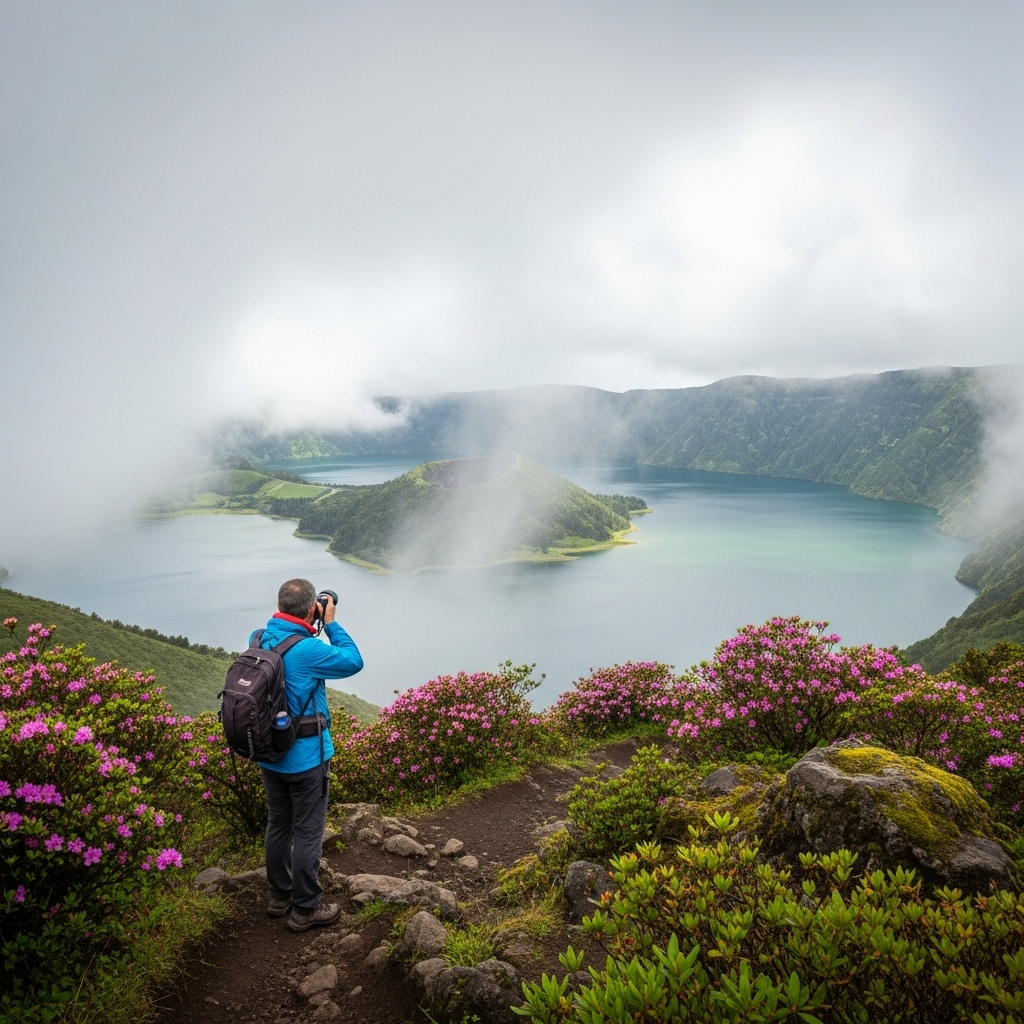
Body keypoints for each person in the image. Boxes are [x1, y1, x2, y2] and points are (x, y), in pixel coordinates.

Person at [253, 577, 363, 932]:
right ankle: (305, 909)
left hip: (269, 754)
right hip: (306, 760)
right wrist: (329, 623)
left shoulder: (258, 638)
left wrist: (307, 621)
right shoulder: (308, 650)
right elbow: (353, 661)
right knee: (308, 831)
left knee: (278, 824)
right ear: (311, 609)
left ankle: (279, 897)